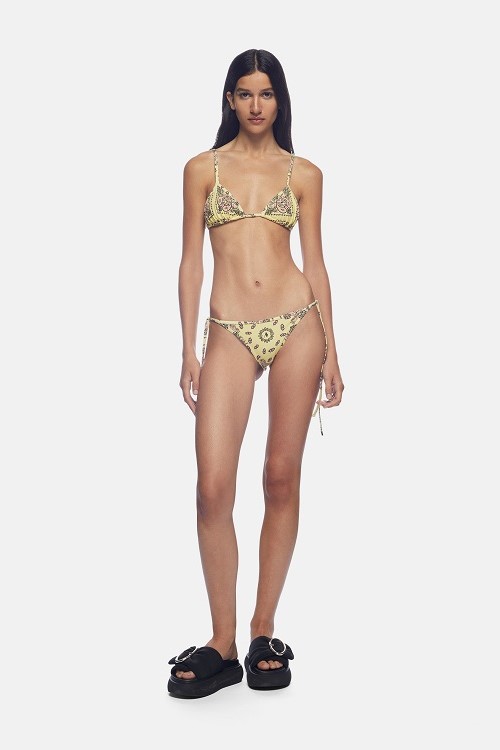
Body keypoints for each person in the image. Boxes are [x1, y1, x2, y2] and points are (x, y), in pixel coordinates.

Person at [168, 49, 344, 698]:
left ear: (280, 100)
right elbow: (191, 262)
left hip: (297, 322)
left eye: (266, 93)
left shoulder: (304, 174)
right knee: (213, 488)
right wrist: (187, 349)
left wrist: (333, 349)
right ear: (230, 100)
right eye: (244, 93)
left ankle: (263, 629)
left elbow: (315, 263)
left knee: (279, 476)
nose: (256, 105)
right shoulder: (201, 169)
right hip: (228, 331)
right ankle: (222, 642)